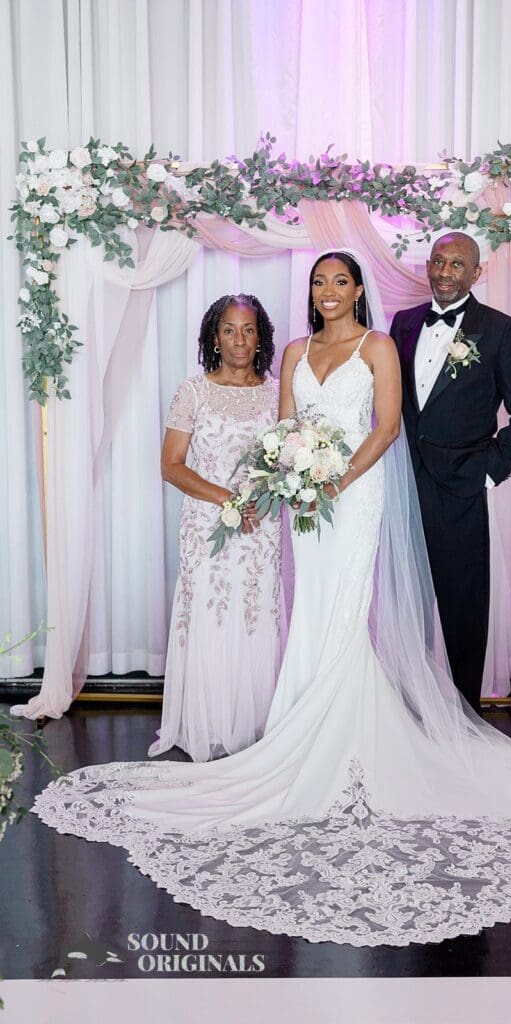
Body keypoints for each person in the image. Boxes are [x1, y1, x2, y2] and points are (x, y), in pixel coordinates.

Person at [33, 251, 511, 948]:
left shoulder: (379, 346)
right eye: (319, 282)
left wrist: (337, 479)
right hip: (306, 499)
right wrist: (292, 476)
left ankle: (344, 738)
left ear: (357, 290)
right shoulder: (294, 351)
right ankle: (299, 725)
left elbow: (387, 427)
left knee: (346, 606)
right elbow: (281, 432)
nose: (329, 291)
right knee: (312, 607)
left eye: (340, 281)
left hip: (354, 495)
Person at [390, 232, 511, 712]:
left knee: (463, 603)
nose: (444, 272)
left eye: (457, 264)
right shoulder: (403, 323)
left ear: (476, 273)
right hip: (402, 481)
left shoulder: (500, 330)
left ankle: (466, 713)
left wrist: (487, 470)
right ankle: (409, 705)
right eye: (438, 261)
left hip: (461, 486)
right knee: (404, 598)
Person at [148, 294, 280, 762]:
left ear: (260, 336)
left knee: (257, 612)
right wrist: (228, 498)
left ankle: (256, 723)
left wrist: (264, 496)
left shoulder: (277, 392)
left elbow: (287, 459)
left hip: (262, 527)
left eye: (248, 330)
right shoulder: (193, 391)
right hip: (207, 524)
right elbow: (171, 466)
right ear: (214, 338)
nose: (239, 340)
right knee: (211, 611)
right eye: (229, 330)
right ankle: (207, 723)